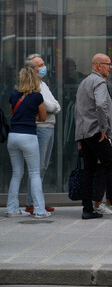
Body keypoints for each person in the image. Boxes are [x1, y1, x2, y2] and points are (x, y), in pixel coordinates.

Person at [75, 54, 112, 220]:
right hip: (96, 132)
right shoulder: (99, 81)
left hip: (86, 133)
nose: (111, 67)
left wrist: (79, 138)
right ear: (98, 65)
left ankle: (87, 208)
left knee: (89, 170)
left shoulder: (84, 82)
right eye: (108, 64)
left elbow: (79, 111)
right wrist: (104, 127)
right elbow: (100, 104)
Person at [5, 67, 49, 218]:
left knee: (17, 173)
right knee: (35, 173)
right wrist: (34, 117)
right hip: (28, 136)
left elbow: (13, 113)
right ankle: (39, 210)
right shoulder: (37, 96)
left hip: (13, 136)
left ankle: (11, 208)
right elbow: (43, 117)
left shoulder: (13, 95)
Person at [24, 54, 61, 215]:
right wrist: (52, 107)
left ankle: (37, 201)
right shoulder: (32, 85)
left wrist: (52, 107)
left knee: (43, 166)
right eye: (40, 64)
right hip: (41, 128)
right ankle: (32, 203)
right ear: (33, 68)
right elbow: (50, 106)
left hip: (48, 127)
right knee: (37, 167)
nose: (44, 66)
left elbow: (56, 105)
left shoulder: (43, 84)